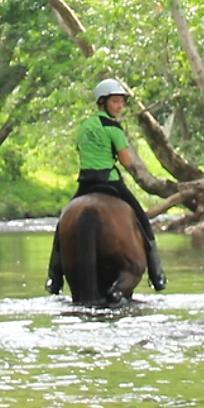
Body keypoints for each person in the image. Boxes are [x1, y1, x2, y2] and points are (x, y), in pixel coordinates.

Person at [47, 77, 165, 294]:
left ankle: (54, 277)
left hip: (86, 183)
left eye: (121, 102)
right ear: (102, 102)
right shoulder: (113, 128)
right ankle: (157, 274)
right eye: (115, 102)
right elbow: (127, 161)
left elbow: (82, 150)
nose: (119, 106)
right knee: (143, 221)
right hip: (110, 182)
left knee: (63, 222)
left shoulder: (85, 126)